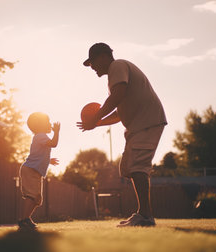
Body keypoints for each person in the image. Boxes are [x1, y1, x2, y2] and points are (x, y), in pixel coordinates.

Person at [77, 42, 167, 227]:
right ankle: (142, 213)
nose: (92, 67)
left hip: (147, 122)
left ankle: (145, 216)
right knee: (127, 168)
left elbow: (116, 96)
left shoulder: (117, 66)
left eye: (92, 62)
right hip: (138, 126)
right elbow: (119, 113)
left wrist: (95, 116)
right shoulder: (115, 76)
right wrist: (98, 122)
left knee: (137, 166)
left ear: (103, 56)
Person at [18, 112, 60, 230]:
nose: (50, 124)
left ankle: (26, 218)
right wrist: (56, 132)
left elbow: (40, 153)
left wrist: (48, 160)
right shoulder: (41, 135)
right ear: (40, 125)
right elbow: (53, 144)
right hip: (31, 170)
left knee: (36, 198)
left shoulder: (40, 137)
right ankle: (23, 219)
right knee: (31, 196)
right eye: (47, 122)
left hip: (34, 171)